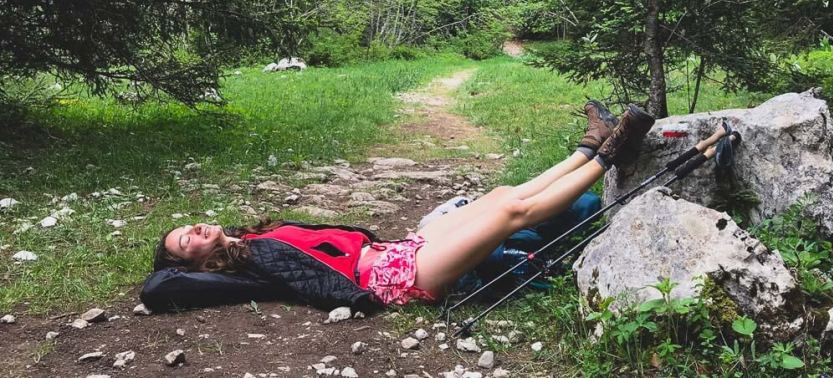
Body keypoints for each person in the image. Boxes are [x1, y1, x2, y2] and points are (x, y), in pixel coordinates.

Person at [143, 102, 729, 313]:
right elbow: (159, 290)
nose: (193, 229)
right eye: (185, 240)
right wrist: (180, 265)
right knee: (506, 217)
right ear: (198, 263)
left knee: (500, 195)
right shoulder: (250, 269)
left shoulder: (258, 236)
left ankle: (589, 146)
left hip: (400, 251)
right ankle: (612, 155)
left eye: (187, 226)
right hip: (399, 281)